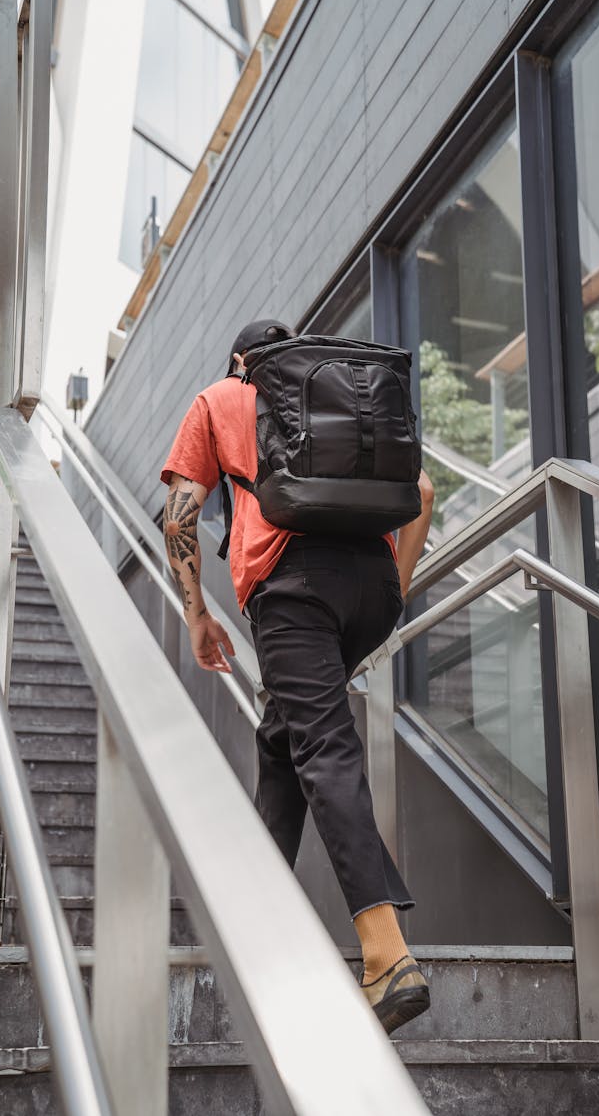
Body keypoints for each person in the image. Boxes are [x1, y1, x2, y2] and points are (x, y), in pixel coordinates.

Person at [161, 319, 434, 1035]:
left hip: (293, 592)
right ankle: (258, 918)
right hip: (371, 584)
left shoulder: (222, 396)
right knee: (283, 740)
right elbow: (425, 492)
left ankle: (388, 957)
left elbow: (179, 517)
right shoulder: (347, 397)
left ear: (240, 358)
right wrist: (394, 595)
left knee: (321, 746)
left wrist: (197, 615)